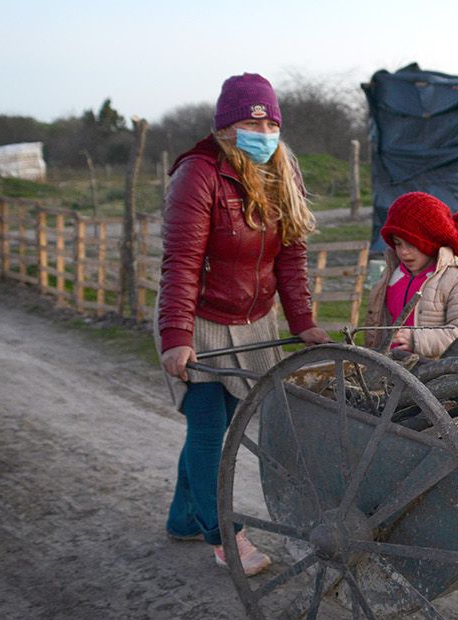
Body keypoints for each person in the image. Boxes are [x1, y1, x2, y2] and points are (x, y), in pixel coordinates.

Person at [156, 72, 329, 576]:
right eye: (251, 122)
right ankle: (224, 536)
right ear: (225, 128)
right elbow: (181, 262)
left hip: (254, 322)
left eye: (270, 121)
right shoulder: (197, 175)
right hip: (201, 320)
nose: (263, 131)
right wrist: (175, 337)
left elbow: (291, 258)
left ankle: (184, 518)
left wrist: (303, 321)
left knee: (222, 424)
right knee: (210, 427)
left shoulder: (283, 170)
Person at [364, 192, 458, 358]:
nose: (404, 252)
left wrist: (417, 340)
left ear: (432, 242)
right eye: (398, 243)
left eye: (412, 244)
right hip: (393, 370)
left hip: (443, 373)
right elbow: (376, 323)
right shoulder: (391, 275)